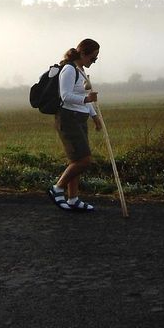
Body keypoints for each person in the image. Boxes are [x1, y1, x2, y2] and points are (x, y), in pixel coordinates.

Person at [47, 38, 102, 212]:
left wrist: (94, 117)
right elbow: (65, 96)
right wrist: (87, 98)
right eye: (92, 58)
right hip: (68, 118)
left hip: (80, 118)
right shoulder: (69, 70)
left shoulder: (80, 70)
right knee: (84, 159)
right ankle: (57, 188)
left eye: (95, 60)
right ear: (83, 53)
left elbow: (84, 100)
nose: (93, 62)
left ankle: (73, 199)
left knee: (76, 160)